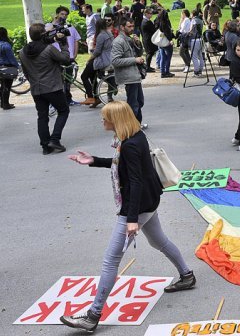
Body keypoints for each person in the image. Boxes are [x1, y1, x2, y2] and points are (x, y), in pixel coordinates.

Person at [59, 102, 195, 332]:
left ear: (116, 121)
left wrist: (131, 219)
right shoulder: (135, 136)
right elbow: (123, 168)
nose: (102, 121)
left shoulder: (130, 145)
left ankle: (92, 315)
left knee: (111, 259)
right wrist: (93, 160)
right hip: (149, 201)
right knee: (158, 241)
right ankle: (187, 275)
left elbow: (135, 181)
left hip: (138, 205)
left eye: (105, 118)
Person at [19, 23, 72, 153]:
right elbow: (65, 59)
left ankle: (45, 146)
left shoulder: (22, 52)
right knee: (63, 111)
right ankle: (55, 139)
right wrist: (63, 44)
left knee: (42, 117)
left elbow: (26, 72)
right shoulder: (48, 49)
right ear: (43, 34)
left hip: (36, 89)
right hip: (52, 87)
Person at [111, 18, 147, 124]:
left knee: (139, 101)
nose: (132, 29)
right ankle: (132, 127)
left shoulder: (129, 39)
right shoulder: (118, 41)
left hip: (135, 75)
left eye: (133, 26)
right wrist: (134, 60)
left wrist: (138, 44)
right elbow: (115, 61)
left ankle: (137, 124)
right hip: (128, 77)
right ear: (122, 27)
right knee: (133, 104)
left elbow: (138, 53)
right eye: (129, 26)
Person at [80, 18, 115, 107]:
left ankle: (90, 96)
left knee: (84, 76)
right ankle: (96, 98)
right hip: (109, 58)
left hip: (102, 59)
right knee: (92, 77)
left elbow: (98, 52)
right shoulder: (109, 33)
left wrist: (90, 59)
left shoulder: (101, 35)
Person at [0, 27, 20, 110]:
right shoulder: (6, 45)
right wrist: (17, 66)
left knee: (2, 86)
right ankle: (6, 104)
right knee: (7, 86)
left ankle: (2, 103)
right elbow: (11, 58)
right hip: (7, 68)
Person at [154, 9, 176, 78]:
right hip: (166, 42)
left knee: (163, 57)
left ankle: (162, 72)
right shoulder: (165, 23)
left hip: (160, 42)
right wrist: (171, 39)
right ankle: (167, 72)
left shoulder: (157, 22)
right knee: (168, 58)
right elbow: (167, 33)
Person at [140, 7, 158, 72]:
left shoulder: (146, 20)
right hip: (148, 40)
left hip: (147, 39)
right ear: (146, 14)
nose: (151, 15)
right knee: (149, 53)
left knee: (150, 53)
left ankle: (148, 66)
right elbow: (154, 29)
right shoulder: (146, 22)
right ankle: (147, 67)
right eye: (150, 13)